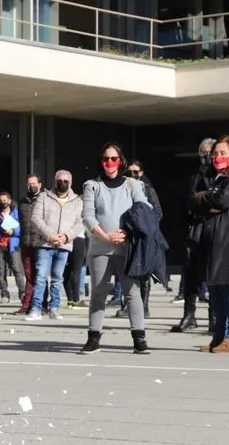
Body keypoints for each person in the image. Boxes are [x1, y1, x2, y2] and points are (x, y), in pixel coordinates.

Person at [80, 143, 151, 355]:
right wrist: (105, 235)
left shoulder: (132, 184)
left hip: (127, 247)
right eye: (105, 159)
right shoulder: (92, 185)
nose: (109, 163)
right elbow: (88, 216)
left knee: (132, 293)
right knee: (99, 293)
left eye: (114, 158)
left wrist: (128, 232)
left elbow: (143, 209)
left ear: (121, 160)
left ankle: (139, 337)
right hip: (100, 247)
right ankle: (94, 337)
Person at [190, 136, 229, 353]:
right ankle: (218, 336)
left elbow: (224, 201)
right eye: (215, 153)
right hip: (212, 239)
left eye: (223, 153)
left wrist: (207, 199)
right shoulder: (214, 178)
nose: (218, 157)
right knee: (215, 288)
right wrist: (210, 199)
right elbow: (194, 203)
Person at [172, 138, 215, 333]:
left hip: (214, 228)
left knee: (214, 274)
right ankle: (189, 315)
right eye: (202, 154)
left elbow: (217, 198)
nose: (205, 157)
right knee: (190, 273)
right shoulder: (194, 176)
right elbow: (188, 199)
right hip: (194, 228)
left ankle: (214, 317)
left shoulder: (221, 175)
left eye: (209, 153)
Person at [29, 169, 83, 321]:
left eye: (66, 181)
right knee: (40, 277)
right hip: (45, 244)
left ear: (71, 183)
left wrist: (66, 237)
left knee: (57, 278)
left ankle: (54, 308)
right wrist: (50, 235)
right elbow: (36, 218)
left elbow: (79, 224)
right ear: (54, 182)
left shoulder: (77, 201)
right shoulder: (43, 197)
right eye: (60, 181)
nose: (63, 183)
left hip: (64, 245)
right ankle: (36, 309)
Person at [121, 160, 162, 319]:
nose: (133, 175)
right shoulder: (122, 189)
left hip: (145, 236)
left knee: (144, 273)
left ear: (141, 173)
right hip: (127, 236)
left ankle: (144, 306)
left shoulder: (148, 189)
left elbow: (158, 212)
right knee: (127, 273)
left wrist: (146, 225)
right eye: (129, 172)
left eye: (136, 172)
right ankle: (127, 305)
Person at [17, 174, 47, 315]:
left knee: (40, 276)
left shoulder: (45, 200)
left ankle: (40, 304)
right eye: (29, 184)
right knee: (29, 276)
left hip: (40, 243)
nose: (31, 186)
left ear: (40, 185)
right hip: (26, 243)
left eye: (34, 183)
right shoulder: (22, 202)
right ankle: (28, 305)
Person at [0, 191, 25, 304]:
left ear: (10, 201)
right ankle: (4, 295)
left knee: (17, 270)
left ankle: (22, 294)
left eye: (5, 200)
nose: (3, 203)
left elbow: (21, 228)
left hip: (13, 245)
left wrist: (13, 231)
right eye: (1, 201)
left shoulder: (16, 213)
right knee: (1, 272)